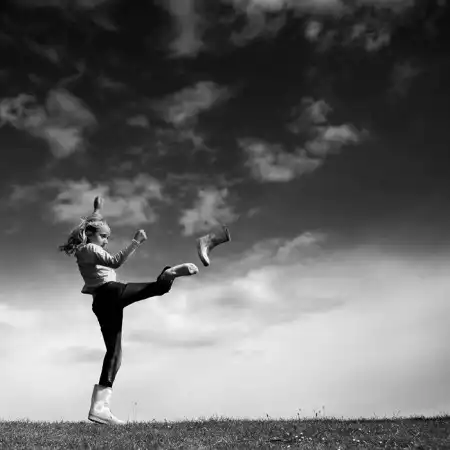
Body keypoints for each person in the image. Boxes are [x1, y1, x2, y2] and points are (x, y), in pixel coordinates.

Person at [59, 196, 198, 425]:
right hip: (110, 292)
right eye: (104, 236)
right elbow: (115, 261)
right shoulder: (89, 248)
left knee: (114, 354)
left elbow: (95, 223)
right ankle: (168, 275)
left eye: (108, 237)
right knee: (155, 289)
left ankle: (99, 408)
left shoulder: (88, 245)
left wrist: (97, 209)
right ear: (90, 234)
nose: (106, 241)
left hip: (102, 303)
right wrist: (136, 242)